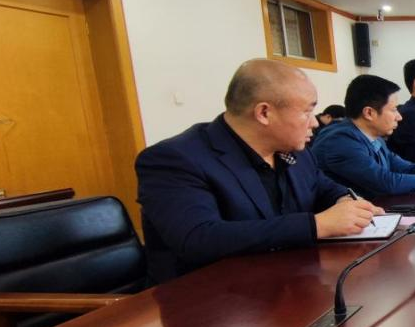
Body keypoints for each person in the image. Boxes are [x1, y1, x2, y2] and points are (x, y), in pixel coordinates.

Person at [136, 59, 384, 283]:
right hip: (207, 299)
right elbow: (199, 238)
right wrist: (315, 225)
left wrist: (345, 200)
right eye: (307, 111)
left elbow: (322, 186)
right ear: (264, 113)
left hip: (289, 283)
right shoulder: (175, 159)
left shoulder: (294, 149)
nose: (315, 122)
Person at [311, 75, 415, 197]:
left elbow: (406, 167)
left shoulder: (374, 137)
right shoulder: (340, 141)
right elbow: (386, 182)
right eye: (394, 109)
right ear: (369, 113)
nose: (399, 116)